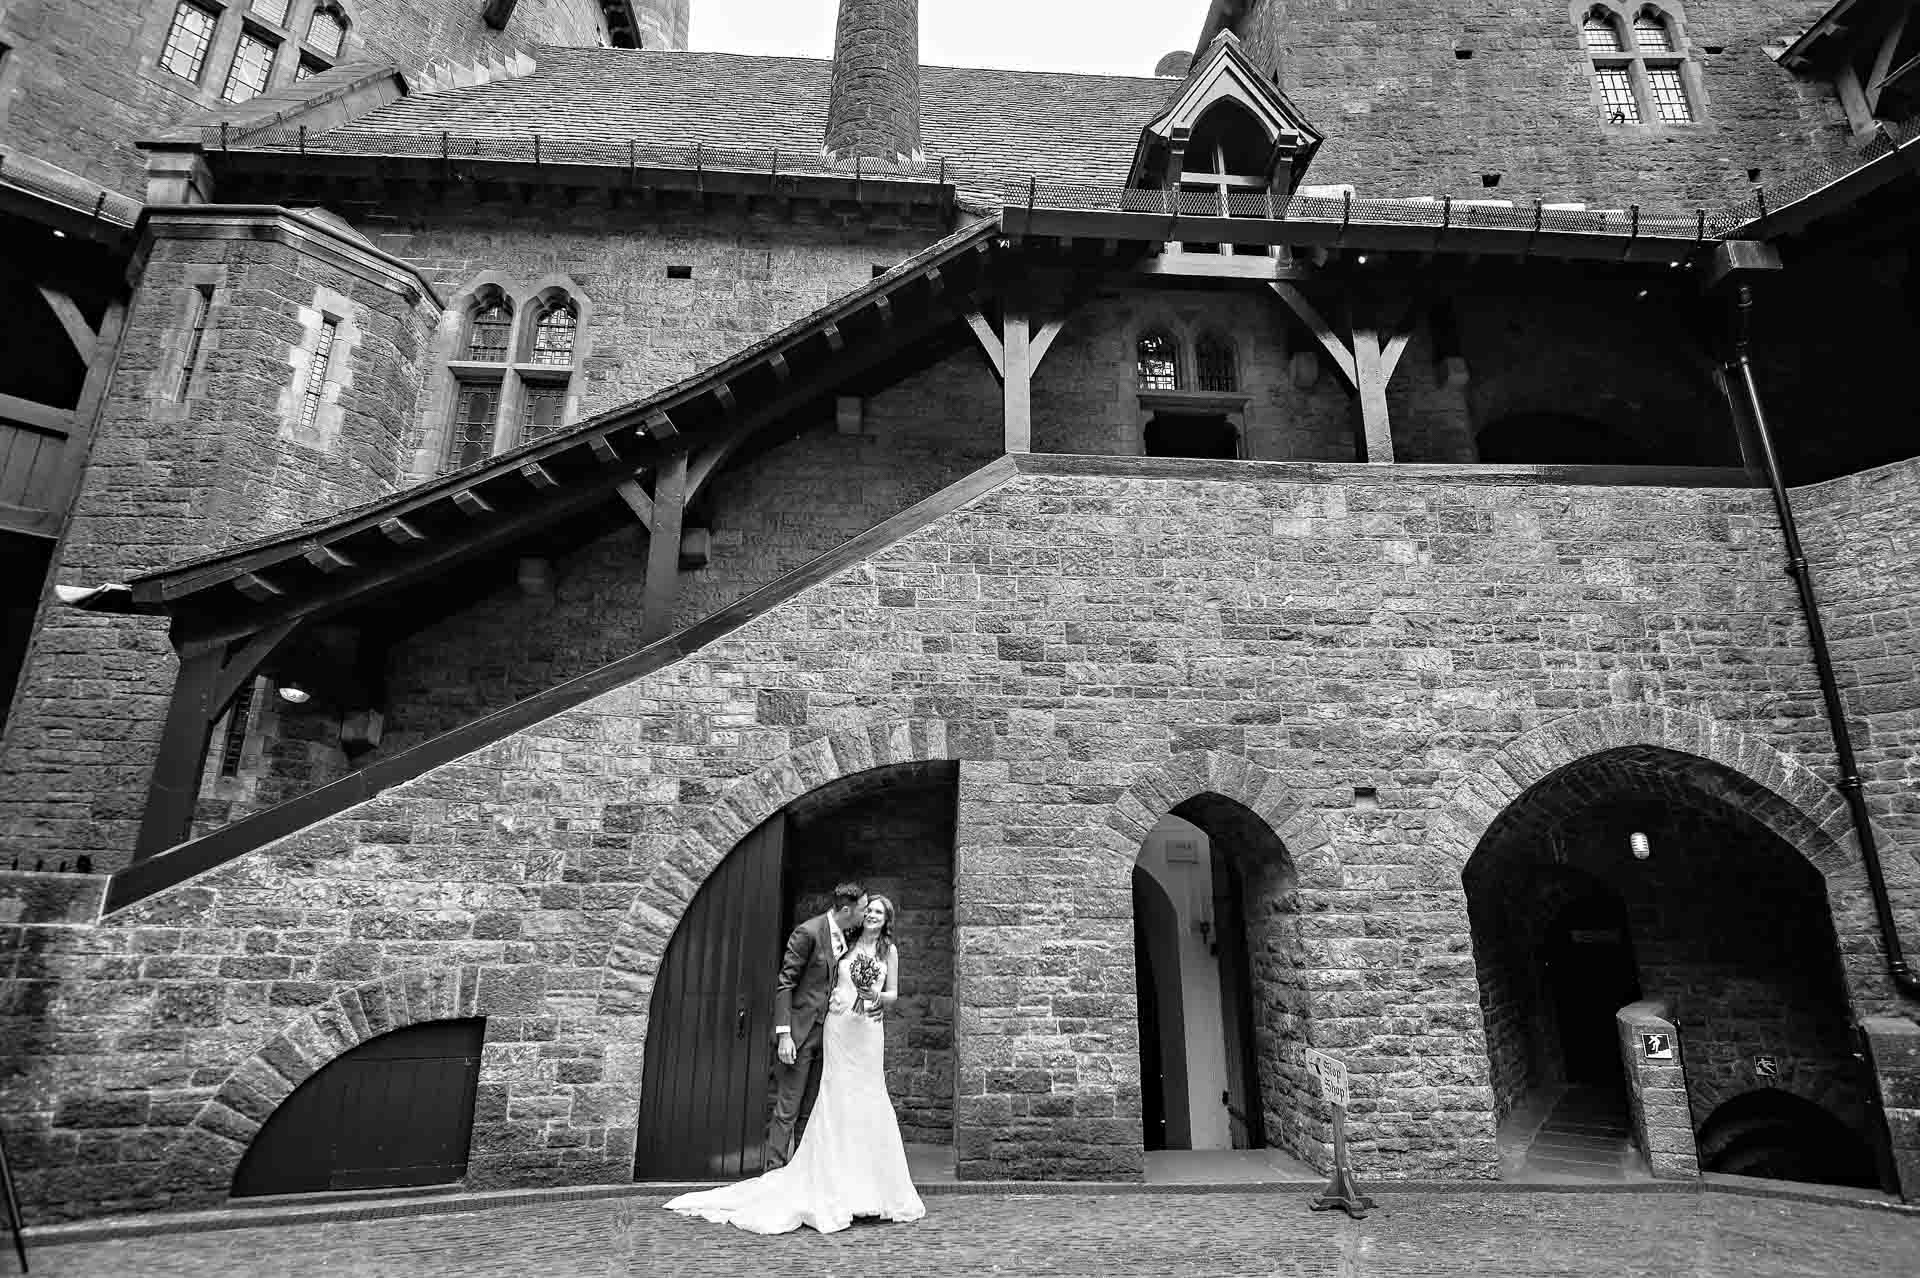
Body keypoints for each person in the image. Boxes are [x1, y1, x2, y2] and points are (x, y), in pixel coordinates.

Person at [664, 894, 926, 1235]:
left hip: (868, 1032)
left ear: (887, 918)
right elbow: (814, 980)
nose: (872, 915)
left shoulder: (888, 952)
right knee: (834, 1100)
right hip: (837, 1027)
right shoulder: (844, 943)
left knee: (870, 1098)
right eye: (869, 910)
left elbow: (893, 994)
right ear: (859, 915)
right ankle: (824, 1182)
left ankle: (873, 1189)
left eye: (879, 911)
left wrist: (874, 996)